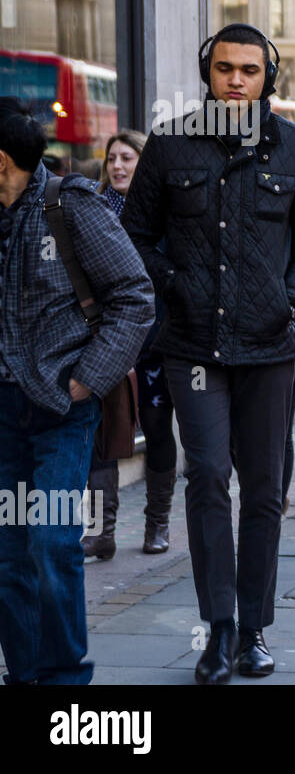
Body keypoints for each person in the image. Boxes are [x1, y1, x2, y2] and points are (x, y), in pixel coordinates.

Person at [121, 22, 295, 684]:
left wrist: (291, 300)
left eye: (248, 69)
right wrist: (175, 284)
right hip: (193, 346)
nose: (236, 79)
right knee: (208, 475)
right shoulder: (170, 145)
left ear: (268, 76)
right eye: (224, 69)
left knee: (265, 488)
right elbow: (134, 235)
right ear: (207, 73)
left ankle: (254, 629)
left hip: (270, 348)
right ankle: (217, 629)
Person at [0, 98, 153, 684]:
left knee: (51, 543)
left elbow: (135, 297)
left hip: (61, 408)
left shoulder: (71, 206)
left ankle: (64, 680)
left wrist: (88, 377)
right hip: (3, 411)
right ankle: (23, 672)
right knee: (9, 555)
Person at [81, 130, 180, 560]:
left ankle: (157, 524)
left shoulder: (165, 215)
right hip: (104, 342)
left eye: (127, 158)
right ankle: (101, 532)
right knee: (102, 435)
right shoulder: (92, 212)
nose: (117, 166)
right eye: (111, 159)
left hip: (154, 344)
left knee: (157, 429)